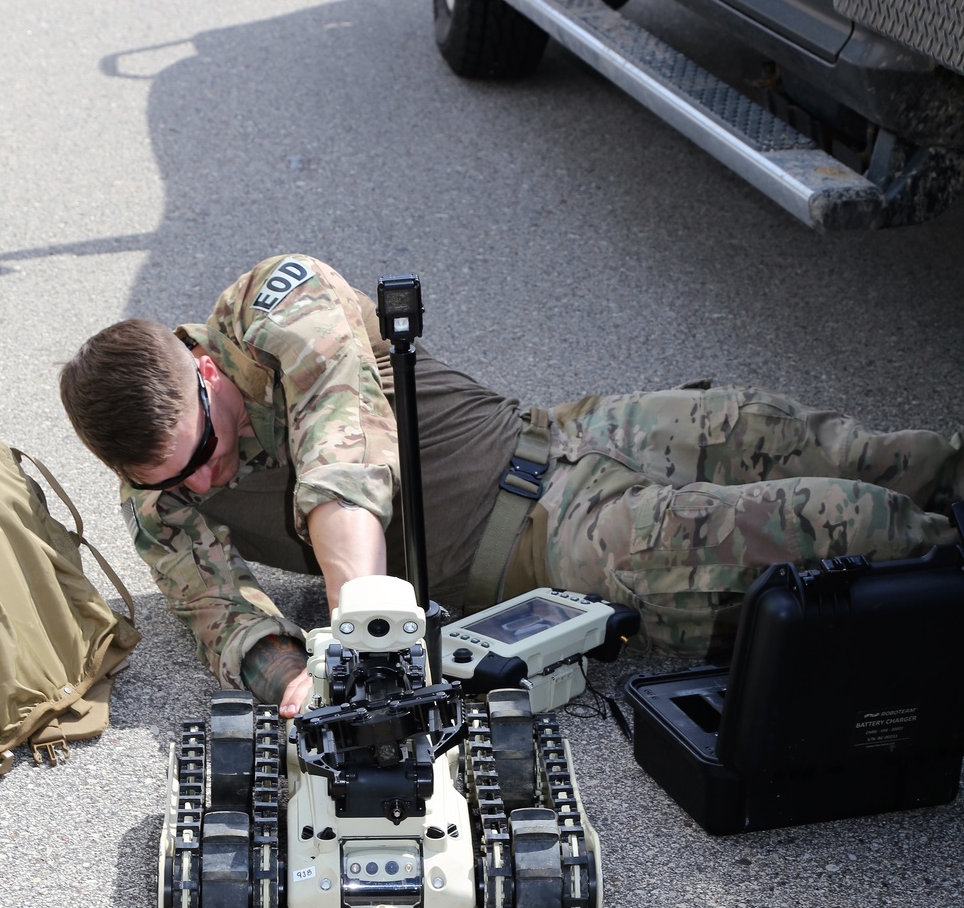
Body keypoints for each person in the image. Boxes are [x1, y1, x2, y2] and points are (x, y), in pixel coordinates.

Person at [59, 252, 964, 716]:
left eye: (202, 450)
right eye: (172, 478)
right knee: (819, 526)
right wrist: (294, 674)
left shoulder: (269, 306)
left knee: (791, 435)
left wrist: (356, 601)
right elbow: (221, 613)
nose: (202, 480)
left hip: (553, 434)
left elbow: (342, 439)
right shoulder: (159, 501)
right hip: (541, 547)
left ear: (204, 375)